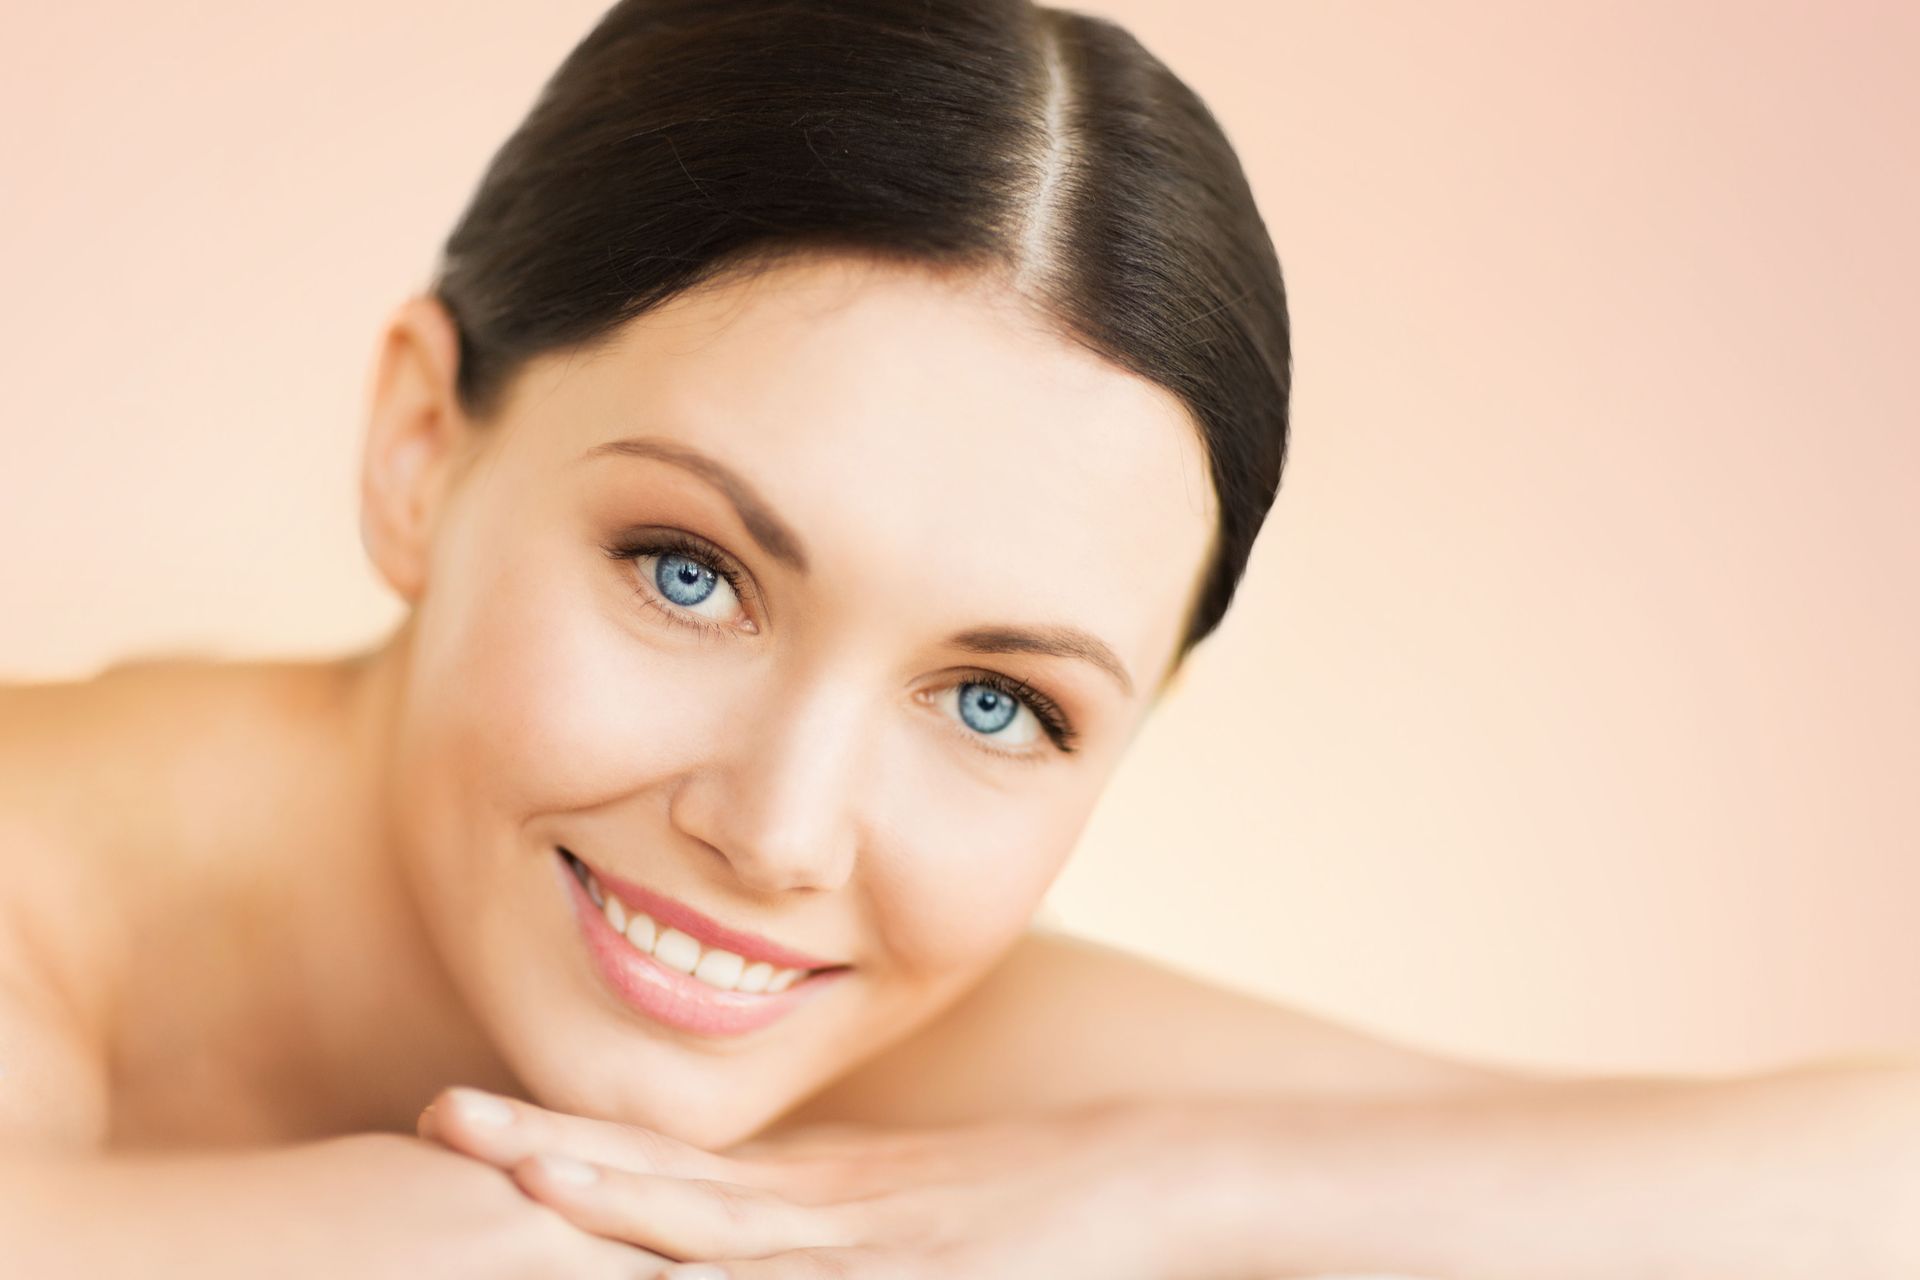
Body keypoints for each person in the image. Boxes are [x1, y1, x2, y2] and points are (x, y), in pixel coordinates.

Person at [2, 2, 1916, 1277]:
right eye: (691, 571)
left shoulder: (871, 1044)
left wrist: (1189, 1187)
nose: (785, 830)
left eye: (995, 701)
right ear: (423, 446)